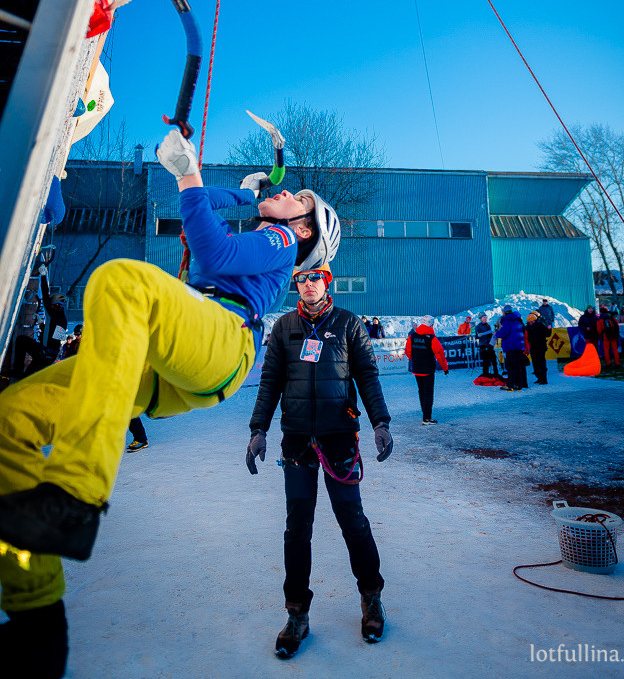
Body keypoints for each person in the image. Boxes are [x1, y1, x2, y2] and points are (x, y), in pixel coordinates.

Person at [0, 128, 340, 679]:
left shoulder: (280, 244)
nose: (290, 192)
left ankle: (74, 492)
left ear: (303, 229)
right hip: (179, 362)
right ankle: (37, 615)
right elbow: (203, 210)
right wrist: (241, 192)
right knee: (10, 419)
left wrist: (188, 175)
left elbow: (212, 246)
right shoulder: (271, 227)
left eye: (299, 199)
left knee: (122, 282)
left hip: (224, 341)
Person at [246, 263, 392, 658]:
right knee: (297, 528)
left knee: (353, 520)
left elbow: (368, 377)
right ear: (296, 284)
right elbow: (270, 381)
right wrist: (258, 428)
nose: (308, 285)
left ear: (326, 281)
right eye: (301, 279)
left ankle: (371, 598)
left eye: (315, 278)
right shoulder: (284, 328)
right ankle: (297, 615)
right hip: (296, 442)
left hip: (339, 438)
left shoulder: (348, 324)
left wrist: (380, 421)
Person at [404, 320, 448, 423]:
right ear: (431, 325)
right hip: (428, 370)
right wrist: (445, 368)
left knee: (422, 392)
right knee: (428, 393)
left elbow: (407, 352)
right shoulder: (431, 338)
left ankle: (425, 415)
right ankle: (427, 418)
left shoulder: (412, 336)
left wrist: (415, 360)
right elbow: (440, 353)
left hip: (417, 369)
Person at [497, 306, 527, 392]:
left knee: (510, 366)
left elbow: (504, 333)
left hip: (510, 347)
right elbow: (523, 331)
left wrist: (497, 333)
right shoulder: (518, 321)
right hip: (519, 347)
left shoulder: (507, 321)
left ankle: (510, 385)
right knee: (517, 366)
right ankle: (518, 385)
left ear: (504, 312)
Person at [525, 312, 548, 384]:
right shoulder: (528, 327)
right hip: (533, 348)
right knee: (535, 364)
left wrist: (549, 329)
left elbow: (547, 334)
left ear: (534, 321)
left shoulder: (541, 325)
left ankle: (543, 379)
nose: (530, 323)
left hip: (540, 347)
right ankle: (539, 377)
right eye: (529, 322)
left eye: (531, 322)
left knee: (541, 363)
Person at [597, 304, 620, 368]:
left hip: (605, 336)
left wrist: (599, 335)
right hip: (614, 336)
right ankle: (617, 363)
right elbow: (617, 326)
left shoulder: (601, 320)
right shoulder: (612, 318)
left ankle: (608, 363)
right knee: (615, 350)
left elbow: (599, 329)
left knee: (606, 350)